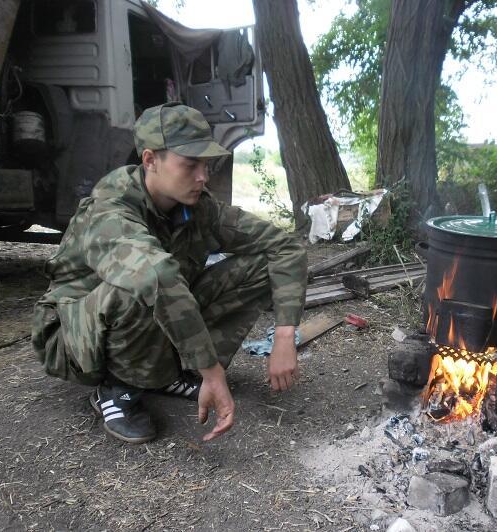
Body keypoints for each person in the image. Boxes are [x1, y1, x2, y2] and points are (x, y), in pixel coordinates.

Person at [31, 103, 307, 444]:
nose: (202, 176)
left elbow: (286, 247)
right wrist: (212, 371)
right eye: (190, 164)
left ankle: (163, 373)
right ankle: (118, 390)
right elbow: (155, 277)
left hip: (139, 319)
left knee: (261, 265)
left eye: (205, 164)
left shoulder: (197, 209)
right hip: (74, 337)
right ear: (150, 160)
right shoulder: (110, 209)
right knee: (144, 279)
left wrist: (283, 336)